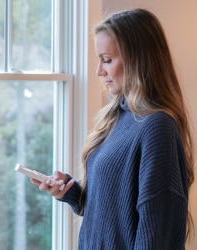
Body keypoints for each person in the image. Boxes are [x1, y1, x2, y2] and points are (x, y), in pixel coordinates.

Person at [31, 8, 195, 249]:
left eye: (107, 60)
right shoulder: (118, 116)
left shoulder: (157, 127)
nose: (100, 71)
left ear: (138, 59)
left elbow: (157, 228)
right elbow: (115, 209)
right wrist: (72, 193)